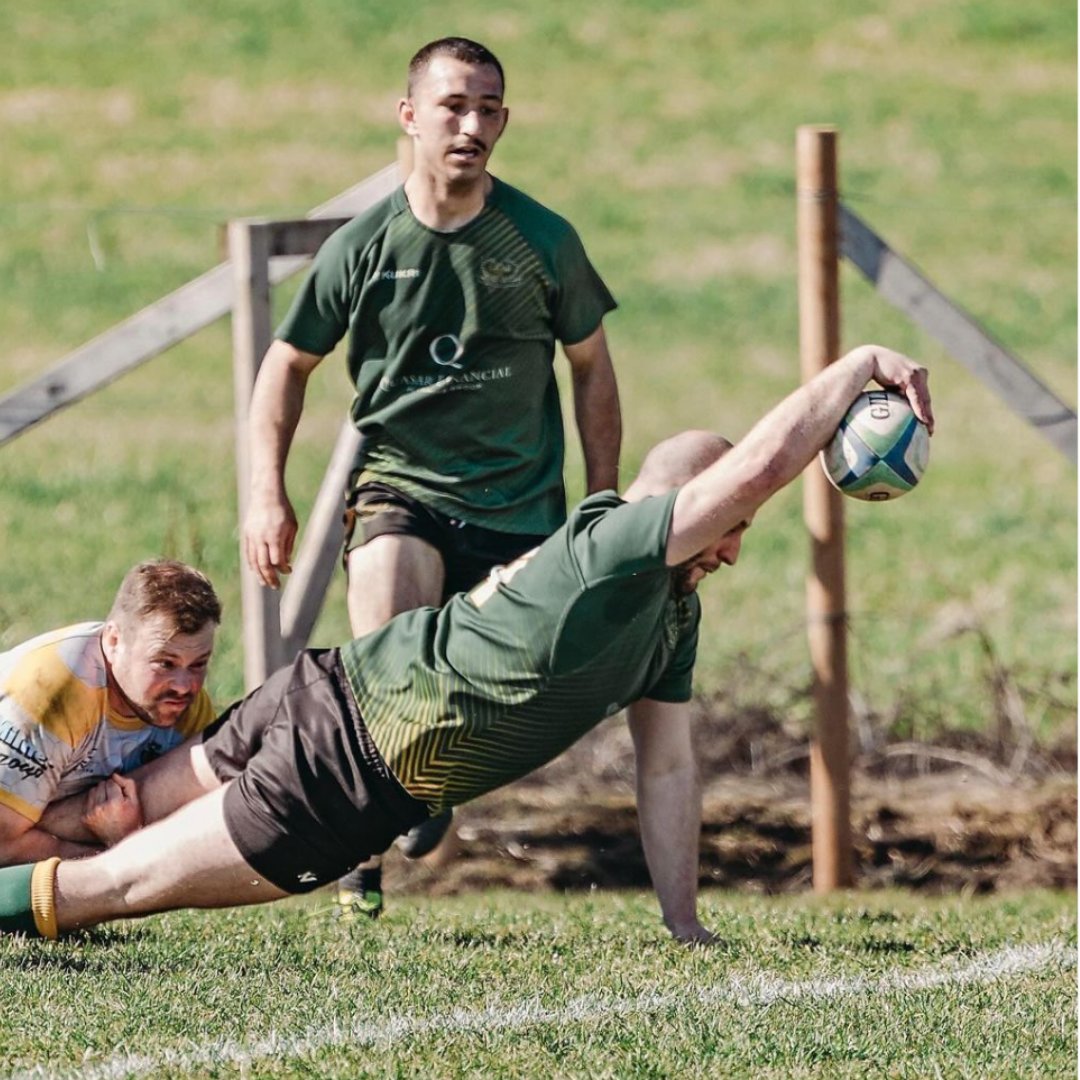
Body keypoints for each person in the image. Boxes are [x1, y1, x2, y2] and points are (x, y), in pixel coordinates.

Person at [0, 345, 933, 944]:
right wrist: (853, 370)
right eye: (727, 524)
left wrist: (683, 922)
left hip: (330, 691)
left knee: (101, 819)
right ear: (677, 509)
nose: (733, 546)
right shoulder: (616, 545)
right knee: (114, 885)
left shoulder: (670, 620)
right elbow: (762, 468)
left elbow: (669, 769)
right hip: (353, 766)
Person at [241, 37, 621, 917]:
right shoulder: (365, 245)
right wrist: (267, 492)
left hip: (520, 504)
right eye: (454, 106)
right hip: (401, 488)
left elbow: (593, 368)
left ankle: (431, 786)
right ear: (409, 115)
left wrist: (600, 500)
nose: (473, 124)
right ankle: (359, 852)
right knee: (387, 644)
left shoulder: (541, 240)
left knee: (483, 700)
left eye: (489, 108)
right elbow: (284, 366)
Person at [0, 560, 221, 866]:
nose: (185, 686)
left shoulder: (189, 709)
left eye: (199, 663)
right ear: (114, 641)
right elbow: (4, 846)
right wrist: (122, 853)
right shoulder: (54, 691)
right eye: (165, 663)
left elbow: (205, 833)